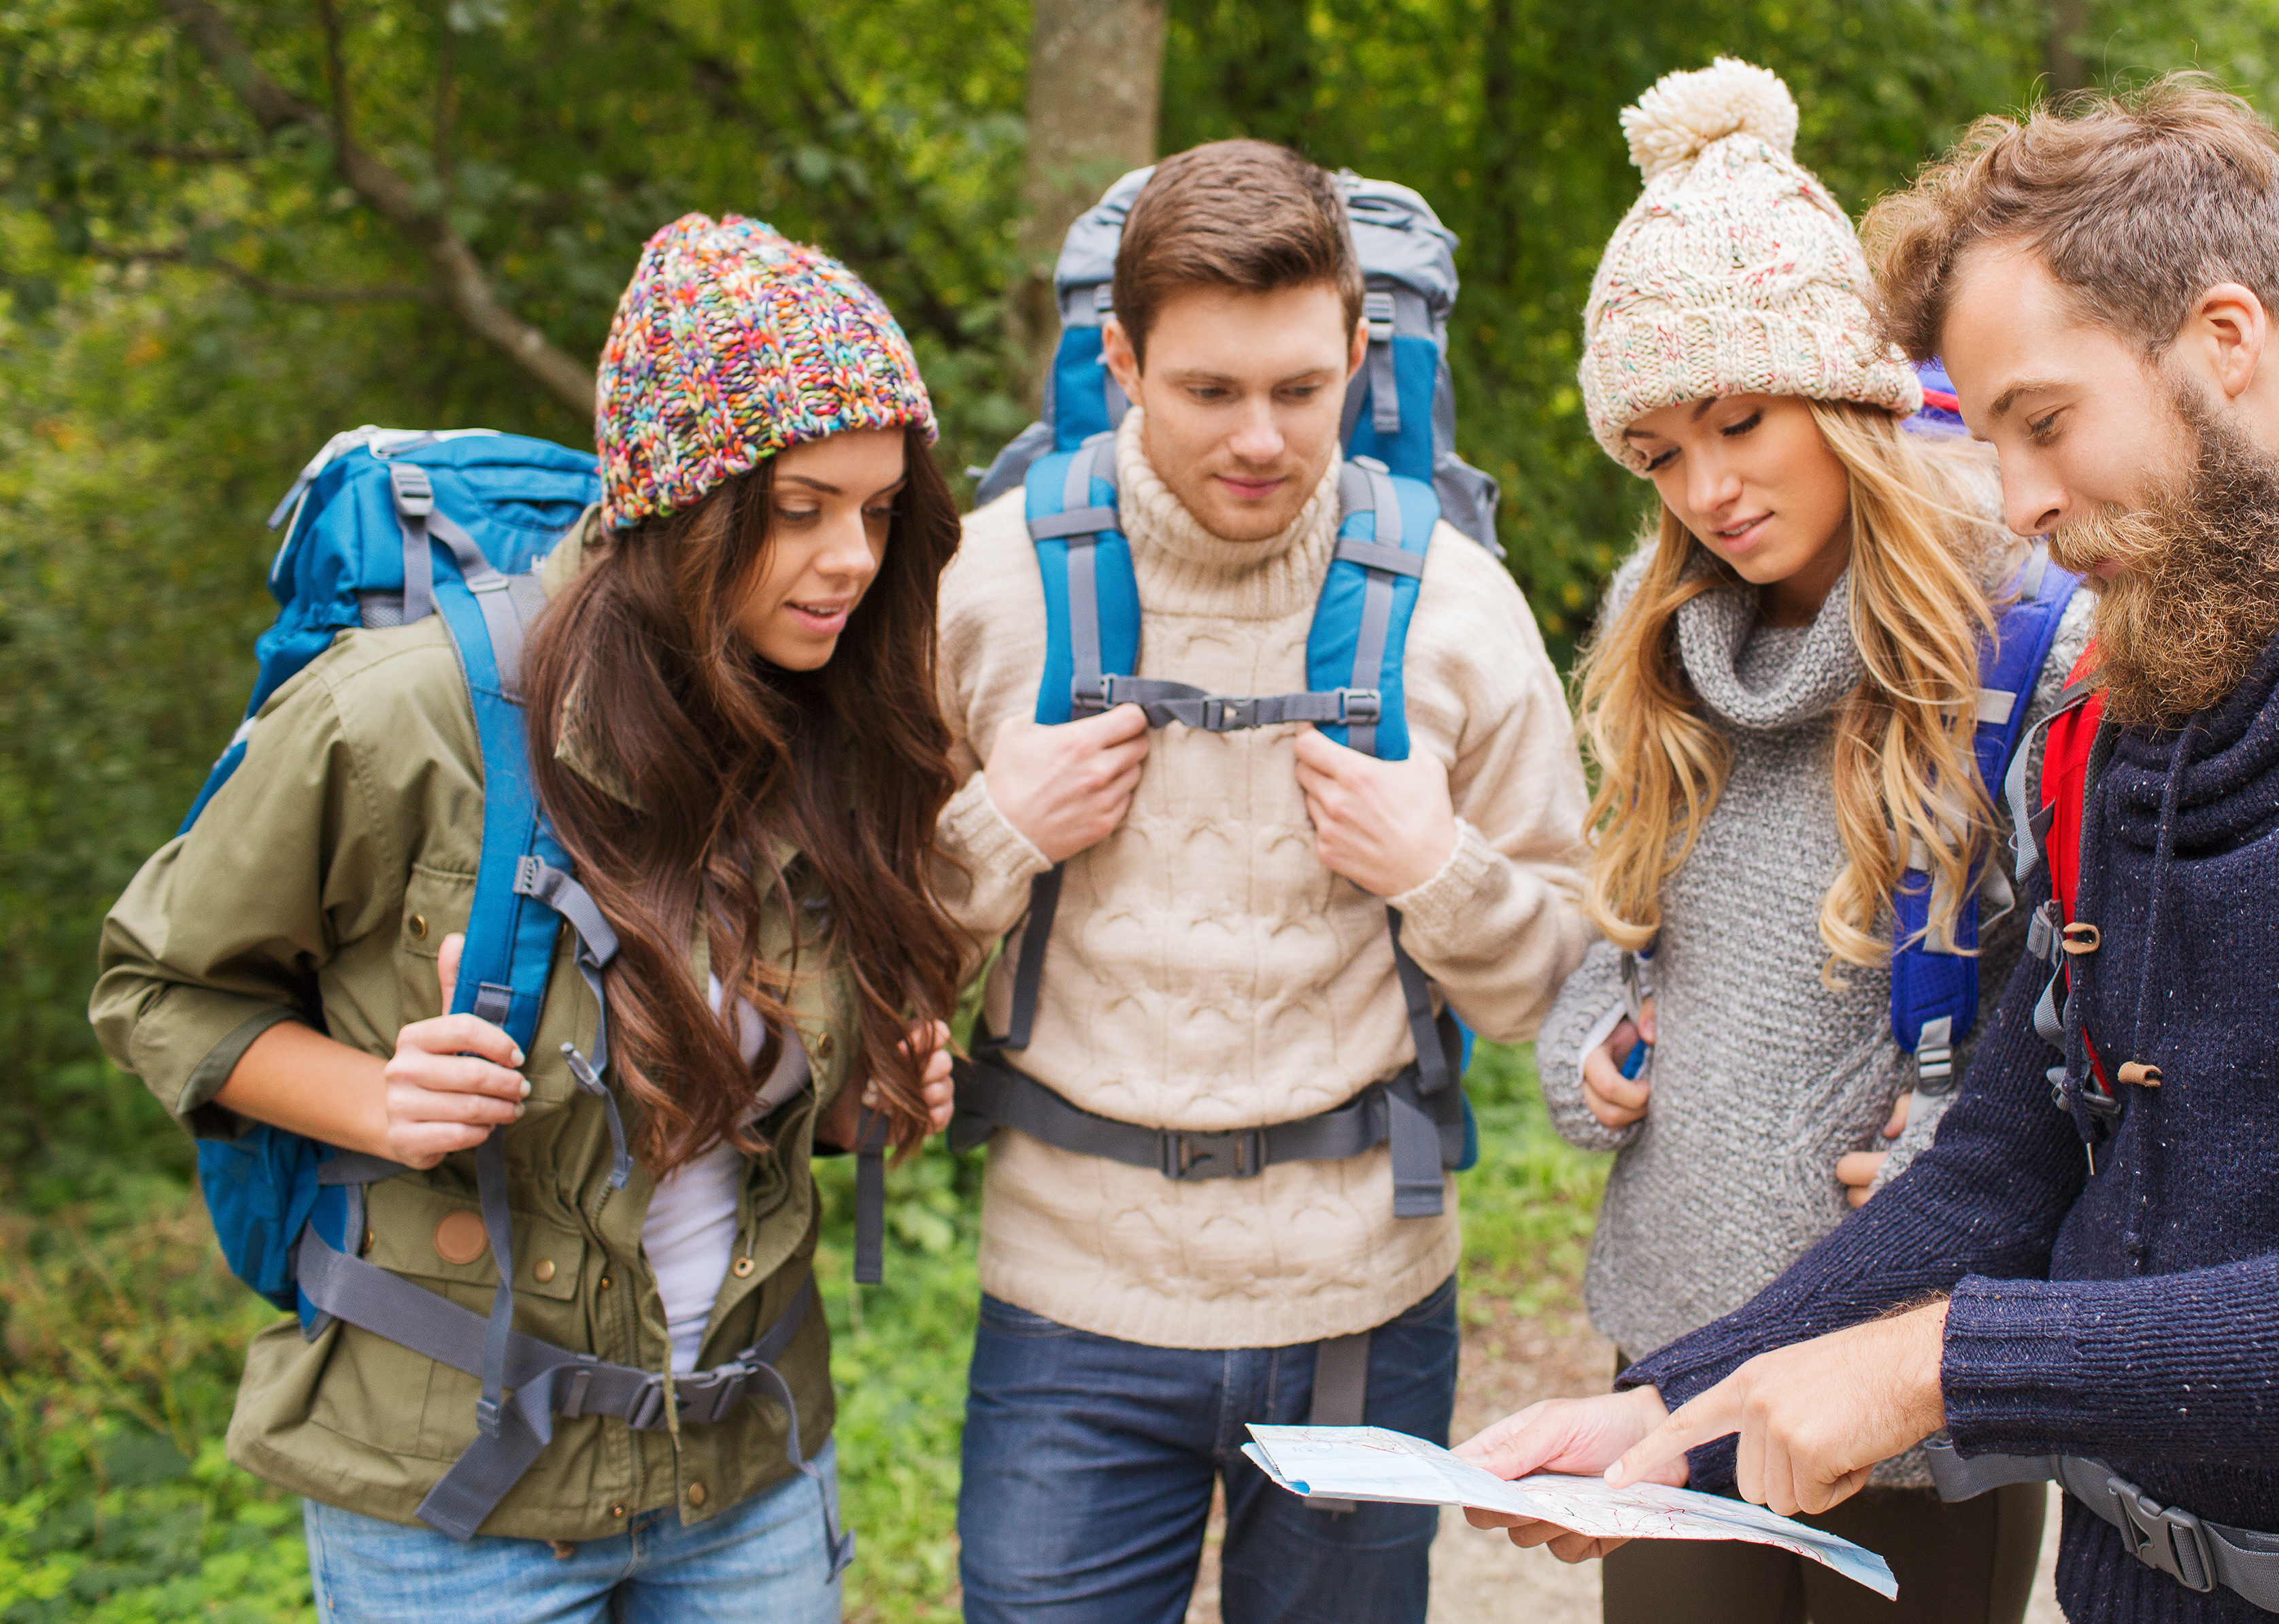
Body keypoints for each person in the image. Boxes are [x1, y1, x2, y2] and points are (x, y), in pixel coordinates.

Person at [1462, 75, 2279, 1624]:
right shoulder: (2133, 719)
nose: (2019, 502)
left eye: (2044, 424)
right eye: (1989, 440)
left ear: (2224, 340)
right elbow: (2005, 1160)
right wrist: (1674, 1412)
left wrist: (1934, 1367)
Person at [92, 214, 963, 1622]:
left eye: (876, 510)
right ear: (675, 502)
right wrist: (381, 1102)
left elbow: (798, 1106)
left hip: (741, 1472)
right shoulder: (403, 718)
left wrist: (875, 1090)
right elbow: (156, 987)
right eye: (800, 508)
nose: (852, 558)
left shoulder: (836, 722)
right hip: (456, 1501)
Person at [932, 139, 1589, 1623]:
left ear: (1360, 355)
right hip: (1068, 1305)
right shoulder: (983, 590)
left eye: (1302, 391)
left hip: (1363, 1302)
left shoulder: (1456, 607)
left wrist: (1441, 873)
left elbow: (1570, 973)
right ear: (1118, 362)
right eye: (1209, 391)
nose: (1260, 440)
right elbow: (841, 949)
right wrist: (993, 835)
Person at [1523, 58, 2074, 1624]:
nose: (1707, 490)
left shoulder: (2018, 635)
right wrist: (1592, 1042)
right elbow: (1615, 920)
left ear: (1842, 390)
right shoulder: (1655, 632)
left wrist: (1948, 1141)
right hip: (1676, 1342)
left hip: (1904, 1349)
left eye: (1740, 422)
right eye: (1658, 453)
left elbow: (2083, 995)